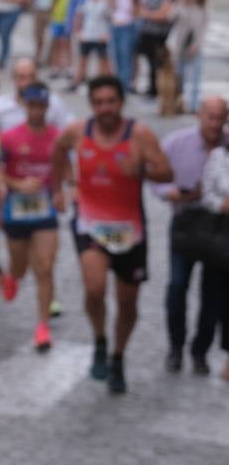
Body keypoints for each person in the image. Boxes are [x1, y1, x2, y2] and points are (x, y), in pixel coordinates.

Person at [52, 76, 174, 394]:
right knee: (94, 288)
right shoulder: (78, 131)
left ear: (121, 102)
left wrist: (143, 170)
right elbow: (59, 150)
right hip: (90, 225)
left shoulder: (140, 135)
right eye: (99, 102)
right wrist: (62, 186)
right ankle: (99, 340)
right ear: (92, 105)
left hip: (130, 229)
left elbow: (167, 171)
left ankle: (118, 356)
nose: (106, 108)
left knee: (127, 302)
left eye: (111, 101)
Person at [154, 97, 227, 374]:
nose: (214, 124)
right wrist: (168, 192)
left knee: (213, 294)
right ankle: (175, 346)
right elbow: (155, 173)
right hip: (185, 223)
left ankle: (200, 351)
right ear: (199, 115)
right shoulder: (176, 142)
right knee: (177, 286)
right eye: (210, 117)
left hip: (219, 228)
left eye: (220, 118)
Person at [0, 84, 65, 351]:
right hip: (16, 212)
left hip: (45, 211)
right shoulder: (10, 137)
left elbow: (68, 171)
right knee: (20, 266)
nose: (37, 110)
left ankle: (43, 326)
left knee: (45, 267)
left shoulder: (58, 138)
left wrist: (65, 191)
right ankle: (13, 276)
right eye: (32, 105)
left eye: (41, 105)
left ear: (48, 107)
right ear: (25, 106)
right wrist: (18, 184)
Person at [199, 140, 229, 380]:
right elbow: (207, 195)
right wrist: (222, 205)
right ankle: (200, 350)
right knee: (211, 298)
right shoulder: (219, 155)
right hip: (219, 235)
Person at [0, 57, 73, 135]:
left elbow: (67, 132)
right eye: (22, 77)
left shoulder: (54, 103)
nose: (27, 83)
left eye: (31, 77)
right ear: (13, 78)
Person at [135, 0, 178, 100]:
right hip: (148, 32)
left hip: (160, 33)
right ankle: (152, 87)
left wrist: (147, 14)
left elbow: (164, 14)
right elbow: (142, 9)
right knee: (149, 62)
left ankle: (157, 90)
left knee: (159, 62)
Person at [167, 0, 208, 113]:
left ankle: (194, 105)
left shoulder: (202, 10)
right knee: (179, 77)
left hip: (194, 48)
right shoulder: (182, 6)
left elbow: (202, 30)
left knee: (195, 78)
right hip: (180, 46)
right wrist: (180, 5)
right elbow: (170, 18)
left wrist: (196, 45)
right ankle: (179, 103)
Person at [73, 0, 113, 88]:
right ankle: (79, 80)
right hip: (87, 34)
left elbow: (111, 18)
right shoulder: (86, 0)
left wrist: (108, 33)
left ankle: (105, 82)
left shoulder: (105, 2)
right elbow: (78, 16)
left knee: (103, 60)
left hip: (100, 35)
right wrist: (78, 31)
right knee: (83, 59)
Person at [110, 0, 141, 95]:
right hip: (116, 25)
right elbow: (113, 6)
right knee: (116, 56)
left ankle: (124, 85)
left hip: (127, 27)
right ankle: (118, 82)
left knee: (126, 57)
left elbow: (136, 14)